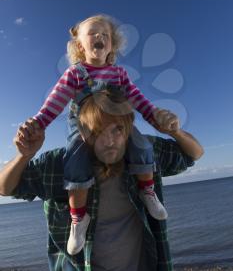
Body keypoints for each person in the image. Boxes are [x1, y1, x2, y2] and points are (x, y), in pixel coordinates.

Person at [0, 90, 204, 271]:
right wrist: (23, 156)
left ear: (128, 130)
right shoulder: (59, 164)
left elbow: (193, 154)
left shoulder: (145, 154)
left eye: (117, 129)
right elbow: (5, 188)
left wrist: (175, 132)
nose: (109, 142)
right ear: (83, 134)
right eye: (98, 131)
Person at [26, 14, 169, 254]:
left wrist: (155, 116)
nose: (100, 37)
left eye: (105, 35)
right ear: (80, 45)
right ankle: (78, 218)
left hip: (115, 124)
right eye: (93, 33)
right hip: (84, 127)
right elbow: (55, 102)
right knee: (75, 158)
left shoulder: (119, 74)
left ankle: (147, 190)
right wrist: (38, 123)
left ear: (112, 45)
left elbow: (138, 99)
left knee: (142, 144)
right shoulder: (75, 74)